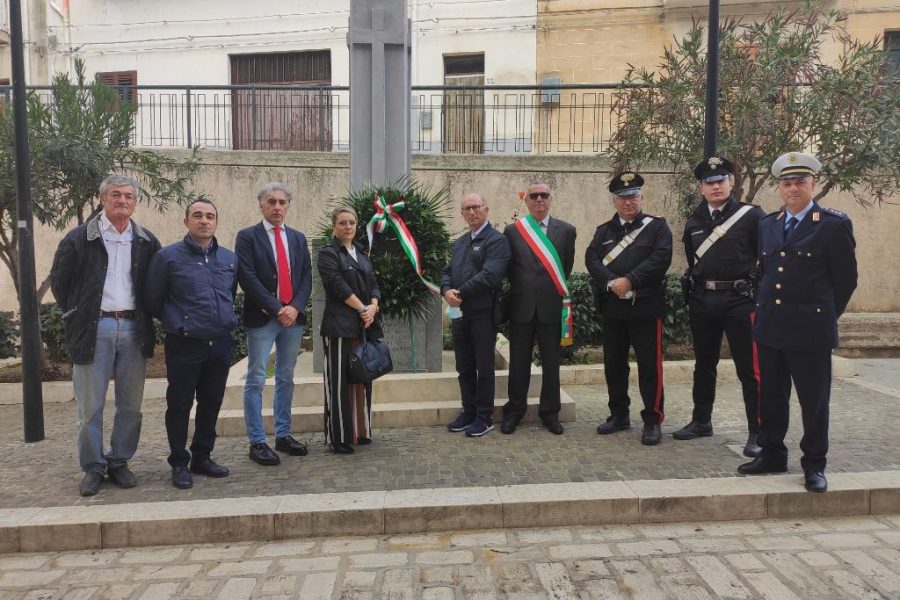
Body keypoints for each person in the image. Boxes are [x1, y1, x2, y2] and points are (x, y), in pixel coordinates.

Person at [738, 152, 857, 493]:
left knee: (813, 401)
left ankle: (814, 464)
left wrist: (821, 316)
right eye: (787, 183)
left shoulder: (833, 224)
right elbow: (766, 273)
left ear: (813, 184)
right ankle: (772, 453)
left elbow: (846, 280)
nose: (793, 188)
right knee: (772, 397)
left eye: (800, 182)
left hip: (810, 331)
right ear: (779, 187)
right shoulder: (769, 224)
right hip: (771, 327)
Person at [50, 175, 161, 497]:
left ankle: (120, 460)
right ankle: (93, 466)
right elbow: (61, 283)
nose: (122, 201)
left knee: (131, 404)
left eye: (128, 196)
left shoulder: (145, 241)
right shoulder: (79, 239)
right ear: (103, 199)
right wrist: (78, 314)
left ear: (135, 202)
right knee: (90, 406)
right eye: (116, 195)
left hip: (133, 328)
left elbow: (154, 284)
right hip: (93, 328)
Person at [674, 157, 766, 457]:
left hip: (740, 301)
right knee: (704, 364)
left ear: (731, 184)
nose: (715, 186)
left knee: (749, 370)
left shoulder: (751, 216)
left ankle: (759, 430)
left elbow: (766, 255)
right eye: (709, 183)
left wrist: (753, 281)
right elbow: (694, 261)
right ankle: (701, 421)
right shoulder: (695, 221)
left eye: (720, 181)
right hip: (704, 301)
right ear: (701, 188)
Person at [145, 197, 238, 489]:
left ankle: (202, 456)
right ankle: (179, 461)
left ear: (216, 222)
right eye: (197, 215)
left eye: (210, 216)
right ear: (186, 221)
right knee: (180, 404)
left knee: (211, 402)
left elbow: (229, 295)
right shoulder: (167, 257)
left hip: (219, 343)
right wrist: (180, 322)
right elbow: (153, 299)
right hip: (184, 344)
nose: (204, 220)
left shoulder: (229, 258)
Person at [585, 172, 672, 445]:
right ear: (615, 201)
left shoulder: (657, 227)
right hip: (613, 309)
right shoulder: (604, 231)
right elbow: (591, 259)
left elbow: (661, 258)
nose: (628, 202)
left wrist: (630, 280)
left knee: (650, 367)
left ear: (641, 197)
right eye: (623, 198)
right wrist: (612, 282)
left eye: (633, 196)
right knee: (614, 366)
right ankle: (619, 415)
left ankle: (652, 420)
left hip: (645, 306)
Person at [235, 183, 312, 466]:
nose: (277, 207)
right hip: (263, 318)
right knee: (255, 378)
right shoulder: (247, 237)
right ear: (261, 205)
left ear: (288, 206)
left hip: (292, 319)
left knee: (286, 377)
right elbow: (248, 278)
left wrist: (295, 308)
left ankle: (283, 434)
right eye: (271, 202)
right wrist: (278, 308)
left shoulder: (298, 238)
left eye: (282, 202)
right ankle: (257, 441)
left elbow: (306, 277)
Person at [501, 180, 576, 435]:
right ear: (526, 200)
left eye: (544, 195)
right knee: (518, 364)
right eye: (534, 196)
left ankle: (550, 412)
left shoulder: (566, 230)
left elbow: (565, 268)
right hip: (521, 307)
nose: (539, 200)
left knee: (551, 363)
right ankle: (514, 411)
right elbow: (510, 270)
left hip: (550, 307)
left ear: (550, 199)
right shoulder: (513, 231)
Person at [441, 193, 511, 437]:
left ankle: (484, 416)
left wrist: (458, 292)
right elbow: (447, 271)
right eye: (466, 209)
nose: (472, 213)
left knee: (484, 367)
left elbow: (491, 275)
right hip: (460, 314)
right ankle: (468, 411)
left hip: (482, 314)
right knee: (465, 366)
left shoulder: (497, 241)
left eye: (476, 207)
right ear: (462, 214)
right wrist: (445, 290)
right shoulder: (460, 242)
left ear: (486, 209)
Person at [317, 206, 382, 454]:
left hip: (364, 324)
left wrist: (373, 307)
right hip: (340, 327)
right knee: (339, 382)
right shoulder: (328, 253)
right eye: (342, 222)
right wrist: (363, 308)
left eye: (352, 223)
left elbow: (374, 284)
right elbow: (337, 286)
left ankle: (360, 431)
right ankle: (339, 437)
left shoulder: (362, 253)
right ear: (334, 226)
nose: (348, 227)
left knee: (362, 379)